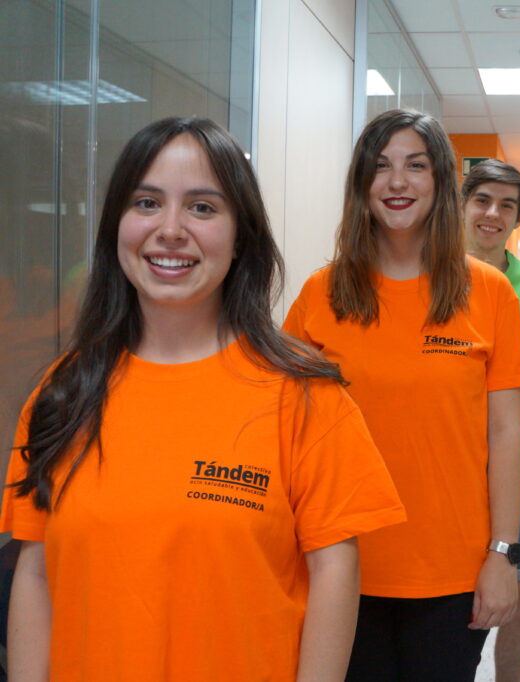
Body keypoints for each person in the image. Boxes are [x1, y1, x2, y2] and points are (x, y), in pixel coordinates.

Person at [0, 116, 406, 681]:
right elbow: (36, 572)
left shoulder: (305, 395)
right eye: (146, 202)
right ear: (117, 224)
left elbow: (335, 574)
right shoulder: (61, 395)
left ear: (242, 237)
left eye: (202, 207)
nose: (170, 229)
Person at [283, 110, 520, 682]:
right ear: (361, 185)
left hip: (450, 573)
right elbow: (286, 427)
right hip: (337, 566)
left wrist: (503, 554)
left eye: (415, 166)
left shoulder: (489, 292)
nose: (397, 182)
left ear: (441, 182)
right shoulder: (321, 294)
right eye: (380, 167)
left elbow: (505, 432)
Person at [460, 158, 520, 682]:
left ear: (518, 219)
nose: (493, 214)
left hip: (501, 465)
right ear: (461, 205)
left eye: (507, 206)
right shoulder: (426, 274)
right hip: (439, 465)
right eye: (482, 200)